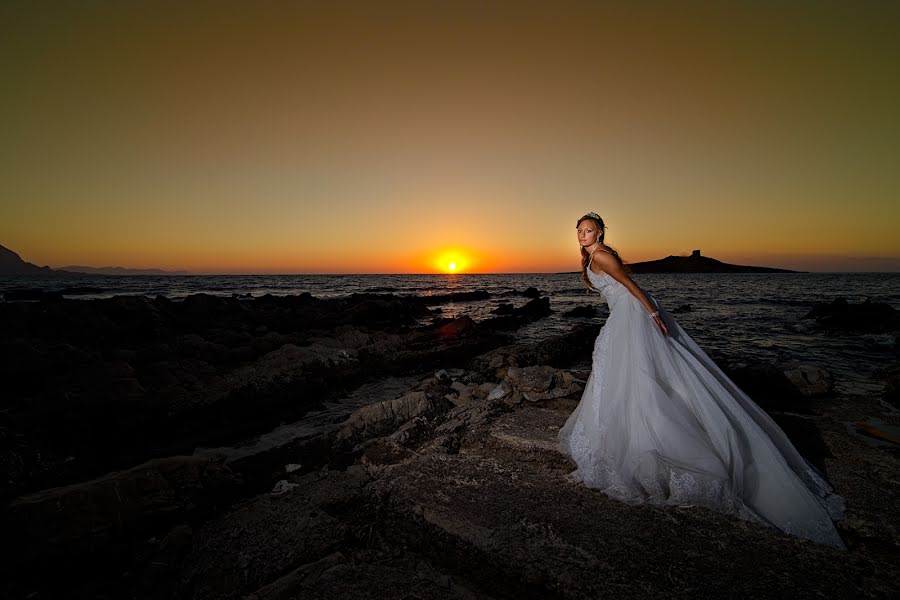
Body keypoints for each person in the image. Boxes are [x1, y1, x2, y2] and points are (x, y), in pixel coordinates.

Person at [558, 212, 845, 548]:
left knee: (639, 376)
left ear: (601, 232)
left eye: (588, 230)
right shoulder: (593, 256)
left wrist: (651, 313)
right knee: (626, 373)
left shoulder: (603, 255)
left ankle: (658, 438)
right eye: (579, 230)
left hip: (631, 316)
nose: (582, 234)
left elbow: (632, 286)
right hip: (622, 317)